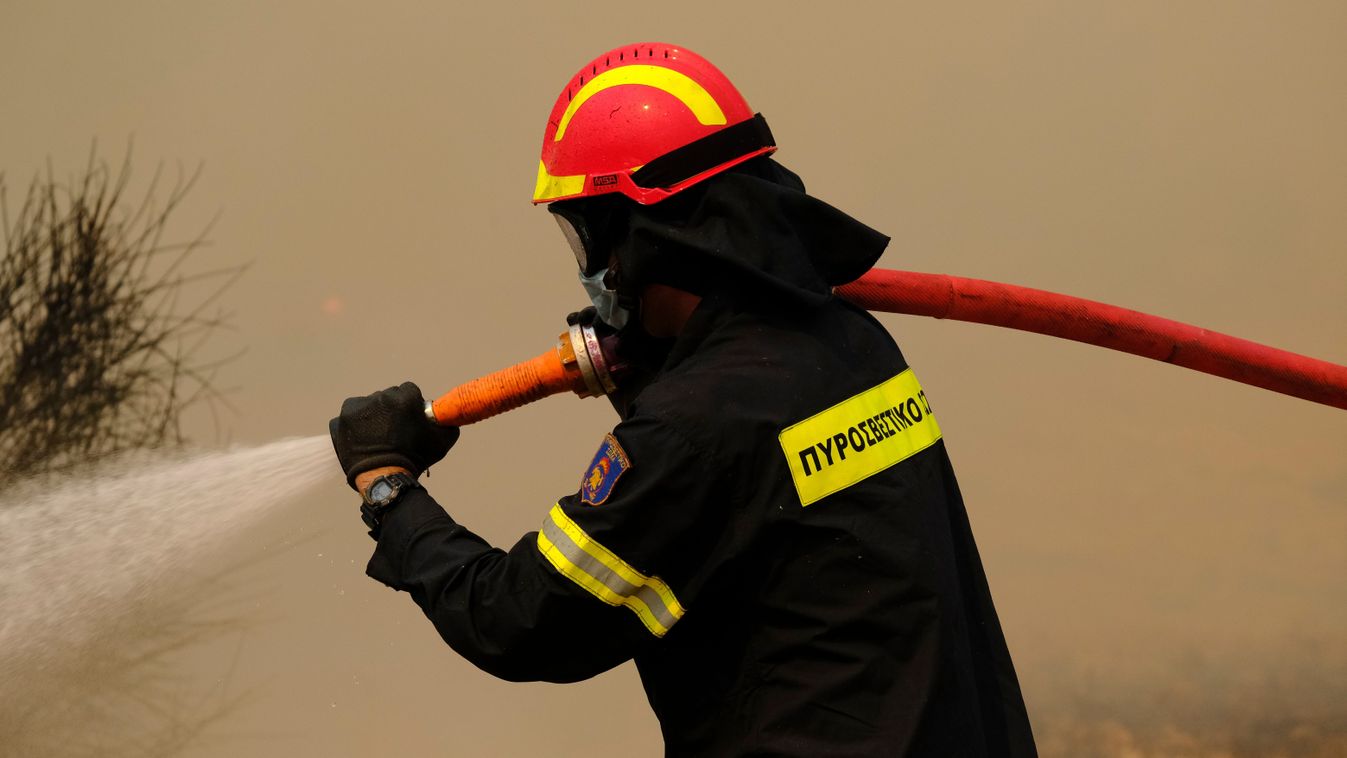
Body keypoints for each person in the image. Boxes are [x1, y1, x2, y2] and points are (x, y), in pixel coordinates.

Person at [330, 42, 1037, 756]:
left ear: (640, 236)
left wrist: (388, 489)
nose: (597, 269)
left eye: (589, 233)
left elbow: (520, 621)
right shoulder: (853, 345)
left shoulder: (695, 427)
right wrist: (652, 370)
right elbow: (752, 496)